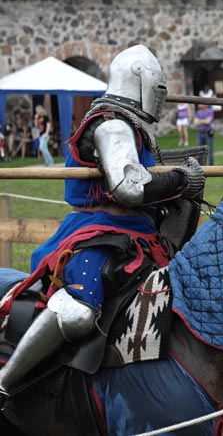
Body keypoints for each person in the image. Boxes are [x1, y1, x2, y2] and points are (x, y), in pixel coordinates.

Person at [0, 45, 206, 401]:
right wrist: (180, 180)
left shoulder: (132, 125)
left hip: (138, 235)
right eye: (159, 89)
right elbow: (128, 187)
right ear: (141, 82)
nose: (161, 98)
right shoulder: (112, 126)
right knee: (80, 311)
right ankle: (5, 381)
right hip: (98, 233)